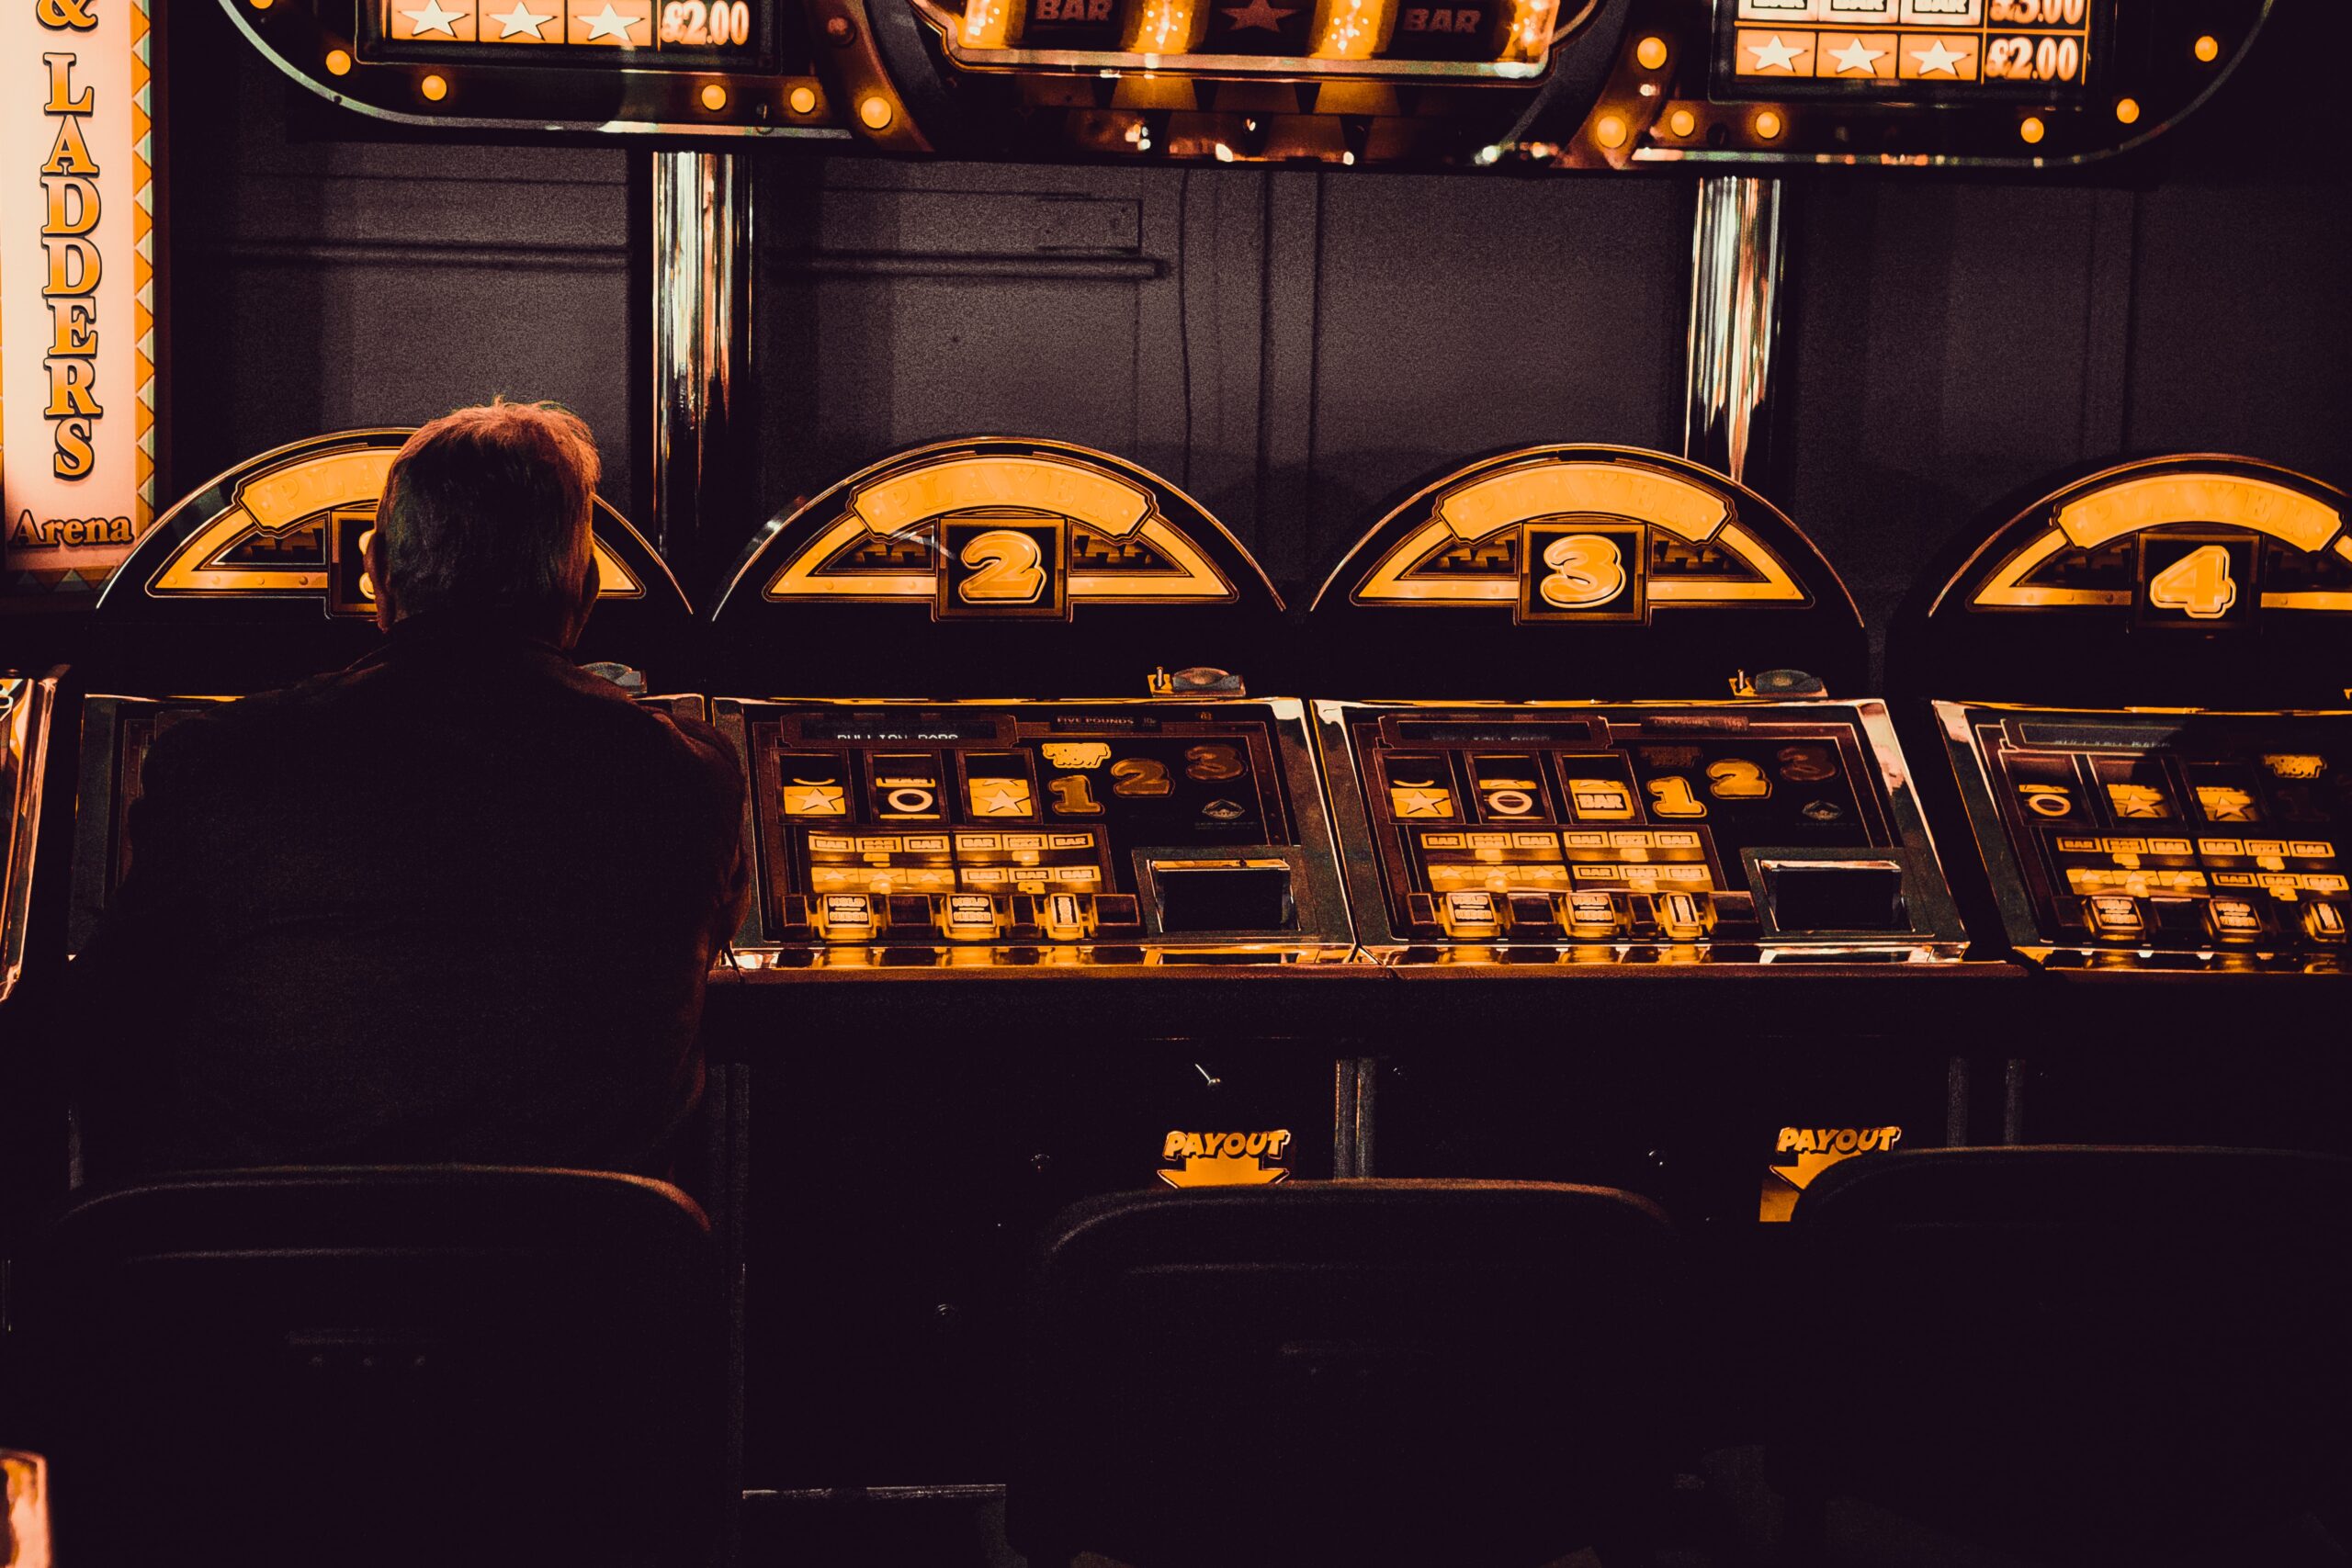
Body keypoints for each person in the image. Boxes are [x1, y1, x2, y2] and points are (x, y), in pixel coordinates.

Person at [72, 401, 747, 1181]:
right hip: (577, 1284)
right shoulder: (691, 779)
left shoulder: (222, 763)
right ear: (586, 589)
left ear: (379, 576)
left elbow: (106, 1023)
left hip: (285, 1277)